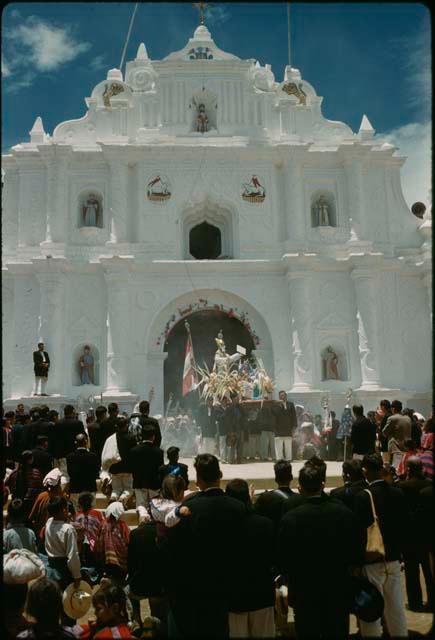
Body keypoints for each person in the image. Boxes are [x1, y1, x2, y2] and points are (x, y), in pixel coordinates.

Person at [160, 454, 246, 638]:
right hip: (226, 588)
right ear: (220, 475)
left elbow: (174, 548)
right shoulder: (238, 508)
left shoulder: (189, 508)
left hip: (193, 590)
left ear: (198, 480)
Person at [278, 465, 363, 640]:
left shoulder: (290, 519)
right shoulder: (344, 513)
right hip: (338, 589)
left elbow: (283, 558)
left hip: (304, 592)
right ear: (323, 485)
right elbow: (356, 549)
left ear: (299, 487)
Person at [353, 453, 409, 638]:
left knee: (371, 613)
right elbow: (403, 526)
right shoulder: (398, 493)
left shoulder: (362, 497)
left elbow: (359, 532)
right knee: (396, 609)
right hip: (393, 558)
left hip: (371, 560)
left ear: (366, 471)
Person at [225, 479, 276, 639]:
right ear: (248, 497)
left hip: (234, 596)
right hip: (262, 594)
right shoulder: (265, 524)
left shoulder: (223, 527)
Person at [397, 457, 433, 612]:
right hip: (427, 533)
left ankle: (415, 602)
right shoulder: (429, 485)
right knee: (429, 571)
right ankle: (432, 600)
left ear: (409, 469)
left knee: (412, 572)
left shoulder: (403, 486)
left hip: (409, 534)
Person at [127, 518, 166, 635]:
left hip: (139, 585)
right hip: (158, 586)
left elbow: (131, 563)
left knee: (129, 593)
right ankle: (154, 623)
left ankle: (136, 620)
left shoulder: (134, 533)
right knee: (158, 608)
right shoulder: (163, 532)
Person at [44, 496, 82, 591]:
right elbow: (72, 555)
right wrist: (77, 576)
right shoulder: (68, 529)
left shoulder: (49, 522)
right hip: (63, 570)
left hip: (50, 566)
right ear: (64, 510)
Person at [128, 424, 164, 523]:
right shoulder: (159, 452)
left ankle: (142, 525)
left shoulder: (134, 451)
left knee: (141, 506)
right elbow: (160, 469)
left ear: (142, 435)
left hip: (139, 483)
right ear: (153, 436)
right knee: (156, 507)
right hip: (154, 483)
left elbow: (132, 468)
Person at [100, 417, 136, 506]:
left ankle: (113, 498)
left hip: (115, 468)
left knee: (116, 489)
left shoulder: (111, 438)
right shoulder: (131, 438)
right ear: (126, 425)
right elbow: (134, 454)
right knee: (129, 489)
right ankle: (122, 500)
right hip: (128, 469)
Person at [95, 502, 130, 585]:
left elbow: (98, 542)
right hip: (119, 561)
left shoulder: (103, 524)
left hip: (105, 559)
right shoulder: (122, 525)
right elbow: (127, 540)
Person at [51, 405, 86, 488]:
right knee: (76, 474)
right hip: (75, 453)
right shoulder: (78, 423)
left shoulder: (58, 423)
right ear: (73, 412)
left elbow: (54, 439)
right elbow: (82, 437)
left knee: (64, 475)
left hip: (62, 454)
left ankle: (63, 492)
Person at [66, 434, 100, 510]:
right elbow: (96, 472)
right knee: (91, 512)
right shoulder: (93, 456)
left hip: (75, 488)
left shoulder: (69, 457)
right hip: (90, 487)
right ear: (86, 442)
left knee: (77, 512)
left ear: (76, 443)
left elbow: (70, 473)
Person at [7, 450, 43, 518]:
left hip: (17, 505)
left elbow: (8, 486)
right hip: (32, 505)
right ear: (31, 460)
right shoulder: (37, 473)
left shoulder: (14, 473)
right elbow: (41, 488)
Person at [74, 492, 105, 568]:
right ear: (91, 503)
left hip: (80, 547)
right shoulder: (97, 514)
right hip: (94, 546)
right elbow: (103, 527)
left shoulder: (77, 515)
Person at [382, 399, 412, 467]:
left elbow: (384, 433)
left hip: (396, 449)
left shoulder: (392, 418)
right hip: (406, 449)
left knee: (395, 470)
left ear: (393, 409)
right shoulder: (408, 418)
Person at [273, 390, 297, 461]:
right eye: (281, 396)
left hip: (288, 428)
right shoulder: (275, 405)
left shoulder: (290, 404)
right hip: (278, 429)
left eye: (283, 395)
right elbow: (274, 414)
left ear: (286, 396)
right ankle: (279, 459)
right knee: (278, 445)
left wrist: (294, 426)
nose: (282, 397)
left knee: (288, 445)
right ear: (279, 397)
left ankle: (288, 459)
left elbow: (294, 416)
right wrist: (279, 405)